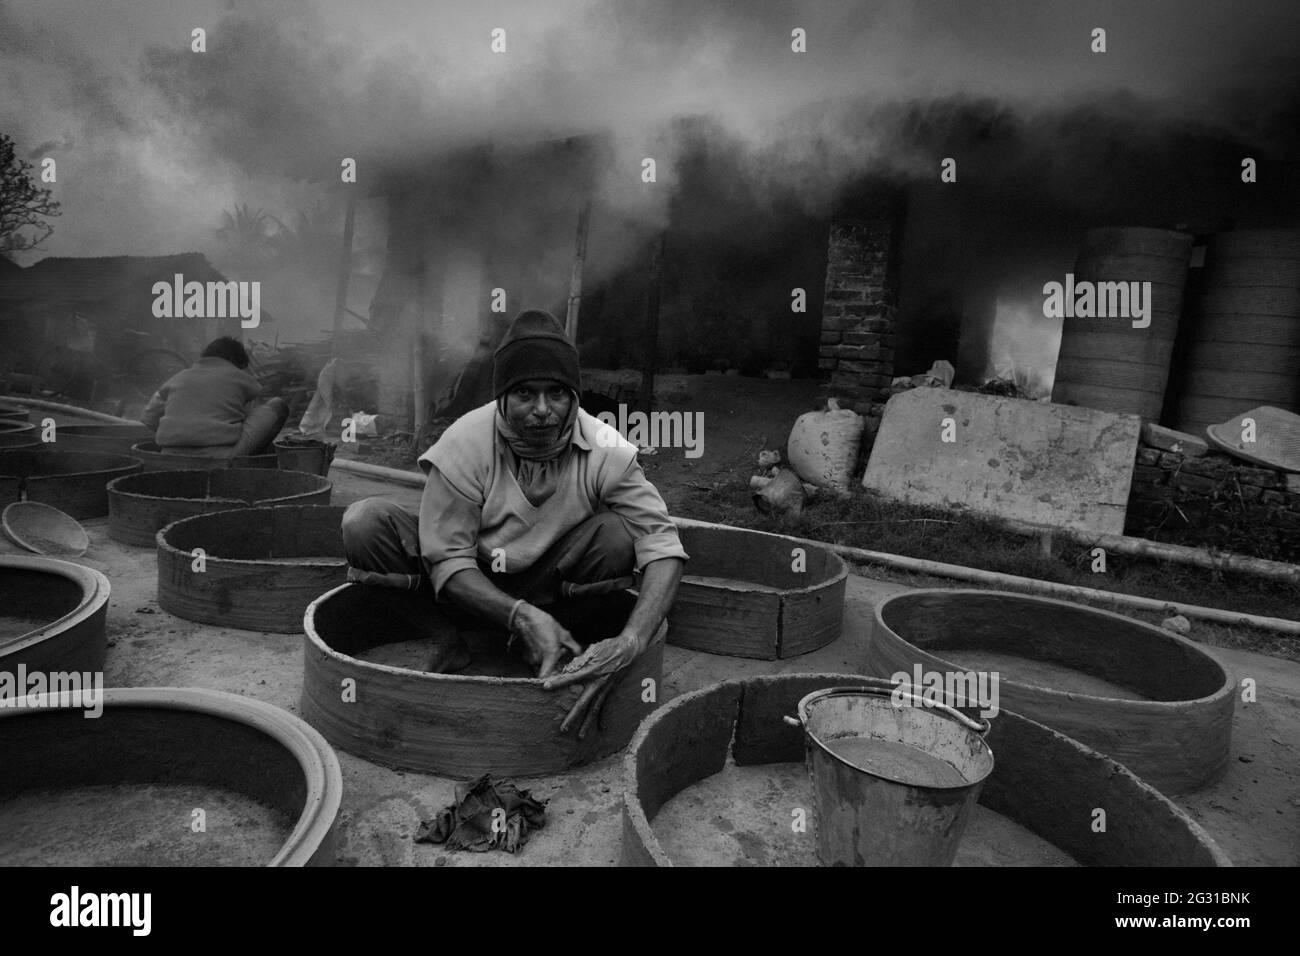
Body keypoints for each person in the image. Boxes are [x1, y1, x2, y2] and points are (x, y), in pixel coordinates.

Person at [342, 308, 687, 737]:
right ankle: (448, 640)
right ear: (502, 396)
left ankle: (548, 638)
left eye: (557, 393)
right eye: (525, 393)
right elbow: (448, 562)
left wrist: (631, 639)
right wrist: (518, 614)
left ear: (574, 397)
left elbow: (663, 545)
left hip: (549, 583)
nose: (542, 410)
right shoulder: (465, 443)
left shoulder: (605, 448)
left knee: (619, 535)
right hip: (466, 587)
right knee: (365, 522)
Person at [140, 337, 288, 458]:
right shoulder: (240, 377)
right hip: (221, 456)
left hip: (170, 455)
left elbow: (148, 418)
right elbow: (252, 415)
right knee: (278, 405)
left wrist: (179, 433)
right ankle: (248, 463)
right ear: (238, 361)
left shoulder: (179, 377)